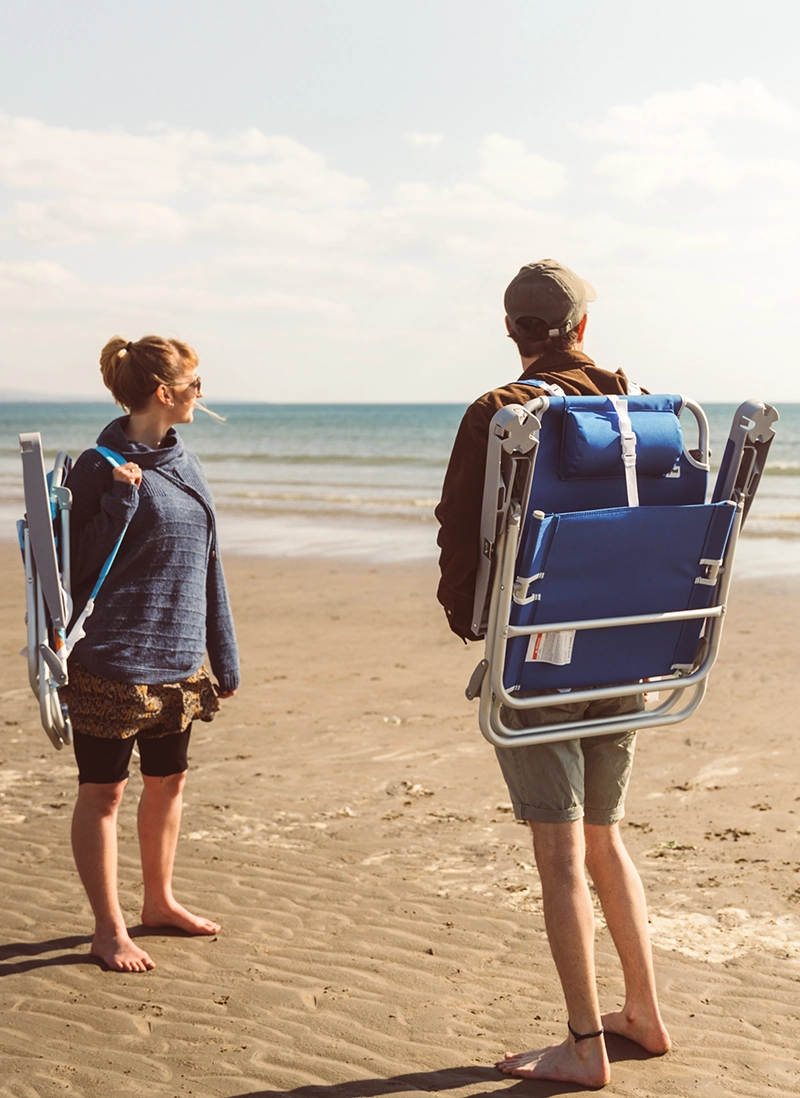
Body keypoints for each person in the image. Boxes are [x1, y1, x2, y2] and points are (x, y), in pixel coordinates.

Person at [435, 260, 670, 1087]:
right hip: (626, 646)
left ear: (514, 332)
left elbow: (460, 529)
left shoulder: (502, 413)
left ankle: (582, 1047)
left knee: (561, 855)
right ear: (580, 329)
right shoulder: (640, 412)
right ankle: (642, 1009)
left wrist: (470, 620)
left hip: (541, 659)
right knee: (605, 839)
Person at [63, 334, 240, 973]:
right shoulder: (95, 465)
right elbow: (73, 572)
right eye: (196, 385)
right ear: (165, 394)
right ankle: (108, 929)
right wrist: (118, 500)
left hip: (180, 663)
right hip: (112, 662)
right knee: (103, 793)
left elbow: (207, 565)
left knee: (169, 782)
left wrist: (224, 652)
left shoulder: (186, 464)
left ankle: (159, 901)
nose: (201, 395)